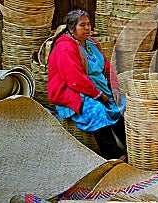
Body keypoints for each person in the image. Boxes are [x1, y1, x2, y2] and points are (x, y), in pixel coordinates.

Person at [47, 9, 127, 160]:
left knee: (118, 108)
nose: (87, 28)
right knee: (97, 111)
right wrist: (98, 95)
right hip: (72, 92)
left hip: (96, 89)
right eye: (82, 25)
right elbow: (74, 78)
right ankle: (114, 155)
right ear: (71, 29)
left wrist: (114, 87)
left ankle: (131, 148)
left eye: (89, 24)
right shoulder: (65, 48)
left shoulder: (92, 45)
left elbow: (107, 67)